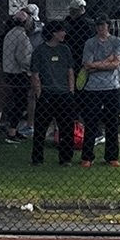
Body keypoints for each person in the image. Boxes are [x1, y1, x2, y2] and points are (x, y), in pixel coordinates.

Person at [77, 15, 120, 166]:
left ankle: (112, 156)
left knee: (112, 122)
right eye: (98, 25)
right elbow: (87, 64)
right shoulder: (90, 43)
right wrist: (107, 61)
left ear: (108, 26)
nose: (100, 28)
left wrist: (97, 65)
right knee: (91, 121)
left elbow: (116, 64)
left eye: (103, 25)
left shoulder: (117, 41)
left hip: (113, 86)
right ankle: (87, 157)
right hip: (93, 87)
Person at [28, 18, 77, 165]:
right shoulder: (40, 51)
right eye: (62, 31)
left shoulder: (65, 50)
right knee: (41, 128)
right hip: (47, 94)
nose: (64, 34)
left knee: (66, 128)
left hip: (64, 94)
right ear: (54, 33)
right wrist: (39, 93)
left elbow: (70, 71)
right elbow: (35, 74)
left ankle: (66, 158)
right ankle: (37, 158)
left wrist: (71, 90)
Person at [0, 11, 34, 141]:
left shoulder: (10, 34)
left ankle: (13, 129)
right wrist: (32, 67)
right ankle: (12, 131)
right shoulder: (22, 37)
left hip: (10, 72)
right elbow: (23, 58)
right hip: (19, 73)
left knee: (16, 101)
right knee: (21, 103)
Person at [63, 0, 93, 74]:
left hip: (81, 51)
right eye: (71, 10)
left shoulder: (86, 23)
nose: (71, 12)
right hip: (73, 51)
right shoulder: (69, 21)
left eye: (73, 10)